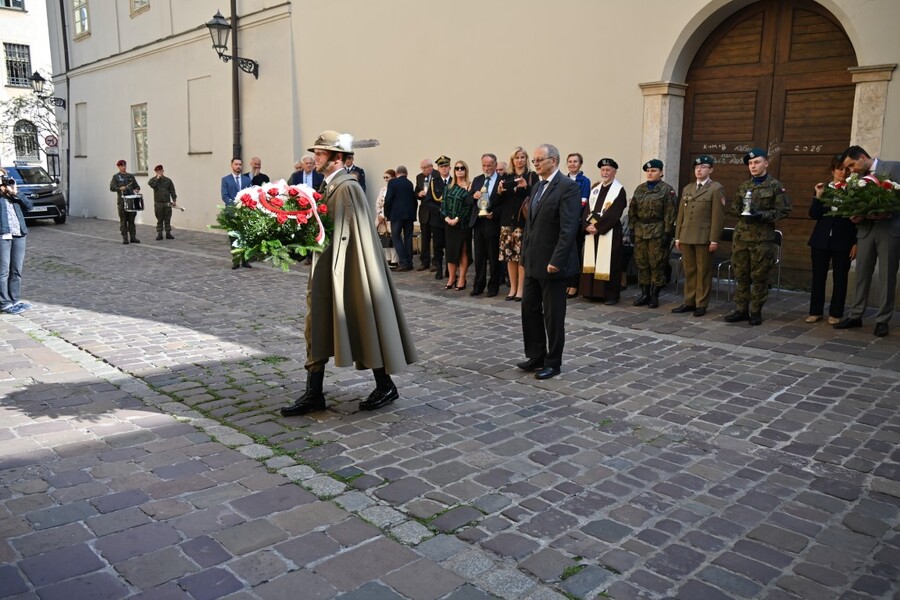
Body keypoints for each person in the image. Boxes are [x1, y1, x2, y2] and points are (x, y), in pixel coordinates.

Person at [280, 130, 416, 416]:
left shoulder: (346, 187)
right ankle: (315, 392)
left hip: (342, 272)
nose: (315, 157)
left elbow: (346, 237)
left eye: (320, 153)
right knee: (320, 325)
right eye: (316, 153)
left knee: (361, 323)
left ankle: (383, 385)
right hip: (329, 269)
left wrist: (337, 275)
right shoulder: (332, 185)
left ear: (337, 158)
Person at [517, 144, 581, 380]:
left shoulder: (568, 187)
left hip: (554, 264)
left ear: (553, 160)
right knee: (529, 309)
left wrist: (557, 259)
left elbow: (568, 228)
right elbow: (530, 227)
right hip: (534, 261)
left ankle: (553, 362)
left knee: (553, 315)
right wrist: (524, 255)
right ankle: (536, 355)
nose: (535, 164)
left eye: (538, 160)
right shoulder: (538, 186)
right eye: (534, 160)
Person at [834, 146, 900, 337]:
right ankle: (856, 315)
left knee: (887, 275)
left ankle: (882, 320)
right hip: (865, 231)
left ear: (863, 157)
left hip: (889, 229)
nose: (851, 170)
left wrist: (888, 212)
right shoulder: (856, 178)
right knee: (862, 273)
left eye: (852, 165)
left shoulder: (894, 168)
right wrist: (855, 215)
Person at [723, 148, 791, 326]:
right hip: (742, 238)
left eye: (757, 162)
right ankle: (741, 309)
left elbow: (784, 210)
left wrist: (761, 215)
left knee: (759, 276)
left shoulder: (775, 186)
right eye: (750, 163)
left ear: (766, 163)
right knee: (741, 275)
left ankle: (756, 311)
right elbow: (735, 208)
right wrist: (743, 213)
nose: (753, 166)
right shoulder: (744, 186)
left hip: (762, 239)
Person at [672, 155, 726, 317]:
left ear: (710, 170)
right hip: (687, 235)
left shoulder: (715, 189)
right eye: (696, 168)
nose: (699, 170)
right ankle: (689, 301)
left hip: (704, 237)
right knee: (689, 270)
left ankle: (701, 303)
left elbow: (718, 216)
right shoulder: (688, 188)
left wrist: (714, 239)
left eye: (703, 167)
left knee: (703, 271)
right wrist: (678, 236)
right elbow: (681, 214)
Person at [806, 155, 857, 325]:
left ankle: (836, 312)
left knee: (840, 277)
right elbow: (814, 215)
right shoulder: (823, 188)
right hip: (821, 240)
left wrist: (856, 242)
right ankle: (815, 311)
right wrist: (818, 197)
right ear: (832, 171)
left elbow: (859, 220)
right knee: (818, 277)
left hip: (844, 240)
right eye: (839, 169)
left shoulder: (854, 190)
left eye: (846, 169)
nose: (843, 172)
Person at [629, 159, 677, 309]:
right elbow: (633, 210)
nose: (650, 173)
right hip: (641, 230)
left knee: (657, 264)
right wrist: (632, 228)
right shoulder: (640, 189)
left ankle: (655, 295)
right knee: (642, 263)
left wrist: (667, 233)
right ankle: (644, 294)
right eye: (648, 171)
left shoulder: (667, 190)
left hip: (658, 231)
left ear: (661, 172)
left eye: (654, 171)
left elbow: (670, 213)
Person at [579, 158, 627, 304]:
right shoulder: (595, 190)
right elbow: (587, 209)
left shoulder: (619, 190)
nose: (605, 173)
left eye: (608, 170)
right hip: (593, 232)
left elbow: (614, 212)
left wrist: (599, 227)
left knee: (610, 263)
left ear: (614, 172)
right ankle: (591, 292)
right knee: (592, 260)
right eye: (603, 170)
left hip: (609, 232)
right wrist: (587, 225)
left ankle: (610, 295)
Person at [497, 147, 538, 302]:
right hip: (507, 222)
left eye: (522, 157)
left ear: (526, 159)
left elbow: (536, 196)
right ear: (512, 160)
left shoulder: (531, 176)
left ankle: (521, 289)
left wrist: (525, 187)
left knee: (521, 257)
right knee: (510, 257)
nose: (520, 160)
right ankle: (512, 288)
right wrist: (500, 191)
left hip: (522, 223)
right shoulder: (507, 176)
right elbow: (499, 202)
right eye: (517, 157)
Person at [469, 153, 503, 297]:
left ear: (495, 165)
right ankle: (478, 285)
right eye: (484, 165)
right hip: (478, 222)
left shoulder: (502, 180)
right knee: (480, 257)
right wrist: (473, 196)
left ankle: (493, 287)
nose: (486, 168)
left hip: (493, 223)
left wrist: (494, 213)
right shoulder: (477, 180)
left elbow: (504, 203)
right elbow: (467, 199)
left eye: (489, 165)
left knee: (493, 257)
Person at [0, 172, 33, 315]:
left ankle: (14, 299)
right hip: (3, 235)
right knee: (3, 271)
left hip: (19, 234)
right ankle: (4, 303)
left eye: (3, 176)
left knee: (16, 270)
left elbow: (29, 206)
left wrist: (15, 193)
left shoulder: (12, 195)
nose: (3, 180)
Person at [442, 160, 473, 291]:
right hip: (449, 224)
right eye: (457, 168)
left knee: (463, 251)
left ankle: (462, 278)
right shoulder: (449, 187)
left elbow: (469, 206)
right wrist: (447, 218)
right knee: (450, 251)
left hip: (462, 225)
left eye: (462, 168)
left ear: (466, 170)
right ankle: (451, 278)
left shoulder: (470, 187)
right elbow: (443, 204)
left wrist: (458, 219)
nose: (459, 170)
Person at [565, 153, 591, 298]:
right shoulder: (563, 179)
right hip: (563, 222)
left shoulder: (585, 181)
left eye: (575, 161)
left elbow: (583, 201)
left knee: (575, 254)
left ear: (580, 164)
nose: (572, 164)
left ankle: (574, 284)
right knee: (565, 253)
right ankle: (566, 282)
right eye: (570, 161)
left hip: (576, 222)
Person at [220, 157, 252, 269]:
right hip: (232, 212)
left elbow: (250, 194)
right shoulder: (226, 180)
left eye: (240, 164)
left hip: (244, 213)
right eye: (236, 164)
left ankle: (245, 260)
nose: (238, 166)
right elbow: (224, 195)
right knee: (233, 237)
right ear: (232, 165)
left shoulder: (247, 180)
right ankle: (236, 260)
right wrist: (234, 204)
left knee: (245, 237)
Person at [384, 165, 417, 271]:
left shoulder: (392, 182)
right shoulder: (409, 183)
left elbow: (388, 199)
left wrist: (387, 213)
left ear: (397, 173)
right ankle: (409, 262)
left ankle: (403, 262)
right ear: (406, 174)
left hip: (396, 215)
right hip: (409, 215)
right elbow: (414, 200)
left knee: (396, 237)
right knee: (408, 237)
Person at [428, 155, 452, 280]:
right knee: (438, 246)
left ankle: (450, 270)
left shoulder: (454, 181)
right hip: (437, 220)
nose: (444, 168)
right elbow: (429, 201)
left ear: (450, 167)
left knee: (449, 246)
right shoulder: (434, 182)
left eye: (446, 166)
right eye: (441, 166)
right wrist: (439, 211)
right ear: (438, 168)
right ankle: (439, 269)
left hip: (451, 220)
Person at [414, 159, 438, 271]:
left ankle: (436, 262)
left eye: (425, 168)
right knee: (425, 238)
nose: (423, 170)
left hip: (435, 212)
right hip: (424, 212)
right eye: (422, 168)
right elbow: (416, 192)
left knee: (437, 239)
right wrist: (419, 194)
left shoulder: (438, 175)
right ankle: (425, 261)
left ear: (431, 167)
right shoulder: (419, 177)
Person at [109, 159, 141, 244]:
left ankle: (133, 237)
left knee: (131, 220)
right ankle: (125, 238)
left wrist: (137, 189)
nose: (123, 167)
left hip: (131, 201)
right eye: (122, 166)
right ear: (119, 167)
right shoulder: (116, 177)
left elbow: (137, 186)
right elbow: (112, 188)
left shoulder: (130, 176)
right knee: (123, 220)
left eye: (124, 166)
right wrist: (119, 188)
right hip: (122, 202)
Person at [148, 164, 177, 240]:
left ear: (163, 171)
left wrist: (174, 200)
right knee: (159, 219)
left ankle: (168, 233)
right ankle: (159, 233)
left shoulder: (168, 180)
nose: (160, 172)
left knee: (167, 218)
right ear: (156, 172)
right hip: (158, 203)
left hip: (167, 202)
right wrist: (157, 179)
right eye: (158, 171)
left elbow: (172, 191)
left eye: (161, 171)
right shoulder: (153, 180)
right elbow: (152, 185)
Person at [376, 169, 399, 267]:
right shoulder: (383, 189)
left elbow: (392, 204)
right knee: (384, 238)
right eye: (384, 177)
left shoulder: (395, 189)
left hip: (391, 217)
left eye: (387, 177)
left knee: (392, 239)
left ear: (393, 177)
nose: (386, 179)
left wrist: (384, 214)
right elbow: (377, 203)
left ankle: (394, 260)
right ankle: (387, 259)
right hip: (382, 218)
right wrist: (380, 213)